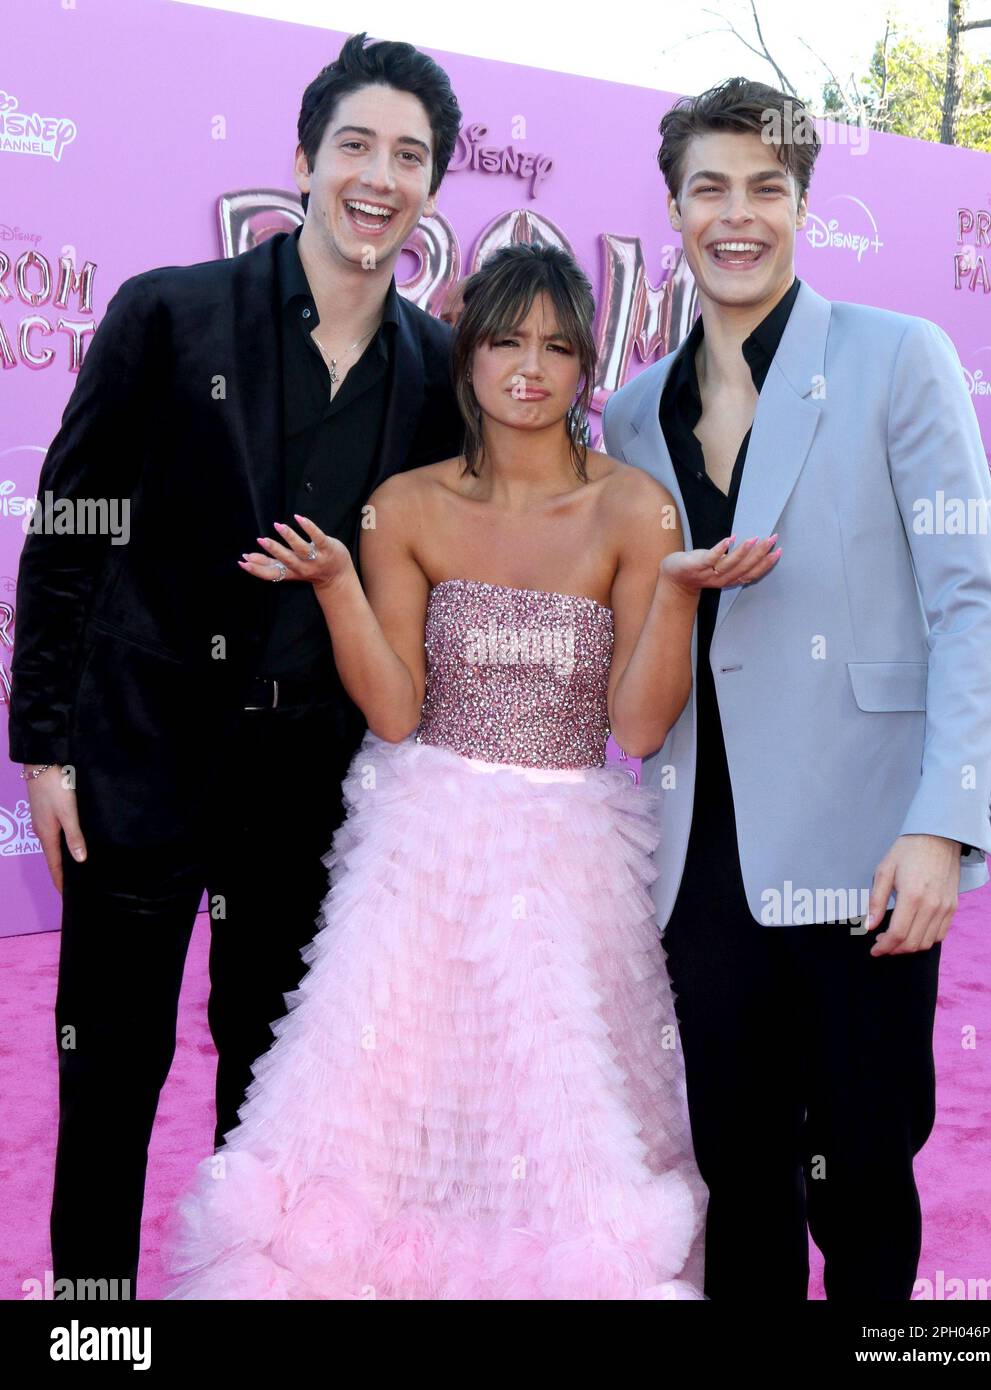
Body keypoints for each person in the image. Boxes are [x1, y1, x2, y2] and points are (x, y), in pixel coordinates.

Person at [160, 240, 780, 1300]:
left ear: (587, 364)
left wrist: (675, 596)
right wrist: (338, 586)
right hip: (421, 848)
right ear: (467, 358)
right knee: (384, 1094)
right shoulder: (404, 506)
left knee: (555, 1104)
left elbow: (633, 730)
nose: (529, 367)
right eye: (504, 341)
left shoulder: (634, 508)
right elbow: (396, 711)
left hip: (570, 852)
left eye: (555, 345)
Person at [7, 32, 465, 1300]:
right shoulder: (170, 311)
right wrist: (43, 744)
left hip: (311, 788)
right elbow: (70, 530)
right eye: (357, 146)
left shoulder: (434, 370)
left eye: (410, 156)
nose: (379, 177)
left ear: (433, 187)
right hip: (141, 757)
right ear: (306, 158)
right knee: (109, 1073)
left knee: (271, 1090)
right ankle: (93, 1328)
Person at [602, 77, 991, 1300]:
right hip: (696, 855)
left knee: (861, 1176)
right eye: (709, 190)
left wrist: (940, 823)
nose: (737, 216)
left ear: (802, 205)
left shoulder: (896, 358)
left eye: (765, 189)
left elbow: (966, 605)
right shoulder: (631, 413)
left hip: (864, 844)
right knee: (735, 1176)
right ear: (672, 208)